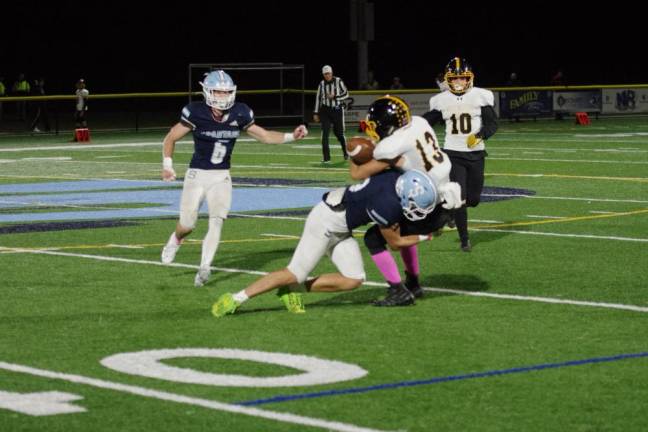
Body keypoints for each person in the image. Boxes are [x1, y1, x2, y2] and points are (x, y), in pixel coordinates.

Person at [211, 168, 440, 317]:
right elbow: (395, 243)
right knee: (294, 271)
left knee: (354, 279)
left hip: (341, 224)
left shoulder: (395, 176)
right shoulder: (387, 204)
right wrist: (426, 235)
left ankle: (291, 290)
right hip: (325, 222)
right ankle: (236, 298)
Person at [160, 70, 309, 287]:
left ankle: (204, 267)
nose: (222, 96)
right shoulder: (195, 112)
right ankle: (176, 239)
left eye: (226, 92)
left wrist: (291, 136)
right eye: (218, 92)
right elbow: (170, 137)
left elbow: (265, 136)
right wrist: (167, 166)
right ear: (208, 91)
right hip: (197, 175)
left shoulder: (240, 112)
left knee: (217, 221)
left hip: (221, 175)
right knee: (187, 224)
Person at [349, 96, 463, 302]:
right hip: (442, 197)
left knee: (373, 239)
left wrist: (354, 152)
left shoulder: (391, 146)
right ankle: (413, 283)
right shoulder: (419, 122)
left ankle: (398, 291)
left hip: (430, 209)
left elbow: (359, 173)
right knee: (400, 223)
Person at [423, 57, 498, 252]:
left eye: (462, 78)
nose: (458, 82)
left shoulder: (480, 96)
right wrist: (409, 123)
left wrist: (480, 135)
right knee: (460, 197)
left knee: (473, 199)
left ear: (469, 79)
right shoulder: (442, 100)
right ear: (448, 80)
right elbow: (429, 119)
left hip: (476, 154)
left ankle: (448, 213)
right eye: (454, 79)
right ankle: (465, 239)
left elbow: (492, 124)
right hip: (453, 154)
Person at [313, 65, 349, 163]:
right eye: (325, 74)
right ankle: (326, 158)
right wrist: (316, 113)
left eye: (328, 73)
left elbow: (346, 94)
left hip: (337, 110)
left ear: (331, 73)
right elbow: (318, 98)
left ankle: (345, 152)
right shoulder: (321, 84)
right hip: (325, 111)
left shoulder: (338, 81)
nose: (327, 75)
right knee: (325, 133)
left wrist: (335, 97)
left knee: (339, 134)